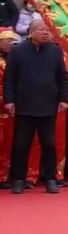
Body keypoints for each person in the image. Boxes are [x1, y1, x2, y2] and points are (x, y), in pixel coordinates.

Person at [4, 19, 68, 194]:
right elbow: (9, 78)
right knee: (21, 144)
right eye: (41, 30)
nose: (46, 33)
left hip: (48, 106)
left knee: (49, 144)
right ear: (31, 33)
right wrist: (8, 100)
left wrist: (63, 98)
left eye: (48, 30)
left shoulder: (56, 52)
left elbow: (63, 77)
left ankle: (51, 179)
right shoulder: (18, 52)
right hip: (24, 106)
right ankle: (18, 179)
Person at [0, 27, 17, 188]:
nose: (10, 43)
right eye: (7, 40)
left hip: (9, 110)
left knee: (6, 144)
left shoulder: (13, 60)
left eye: (12, 40)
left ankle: (3, 176)